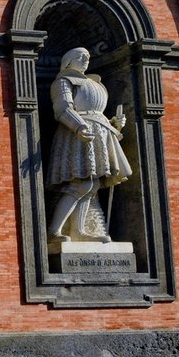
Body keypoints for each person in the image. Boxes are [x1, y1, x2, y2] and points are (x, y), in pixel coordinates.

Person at [45, 46, 132, 243]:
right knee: (82, 183)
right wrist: (77, 126)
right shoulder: (63, 81)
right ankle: (54, 231)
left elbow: (97, 113)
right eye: (80, 56)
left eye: (87, 56)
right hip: (77, 134)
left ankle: (78, 231)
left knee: (93, 185)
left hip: (98, 134)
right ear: (68, 60)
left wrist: (113, 124)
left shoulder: (95, 83)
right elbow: (62, 108)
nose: (85, 59)